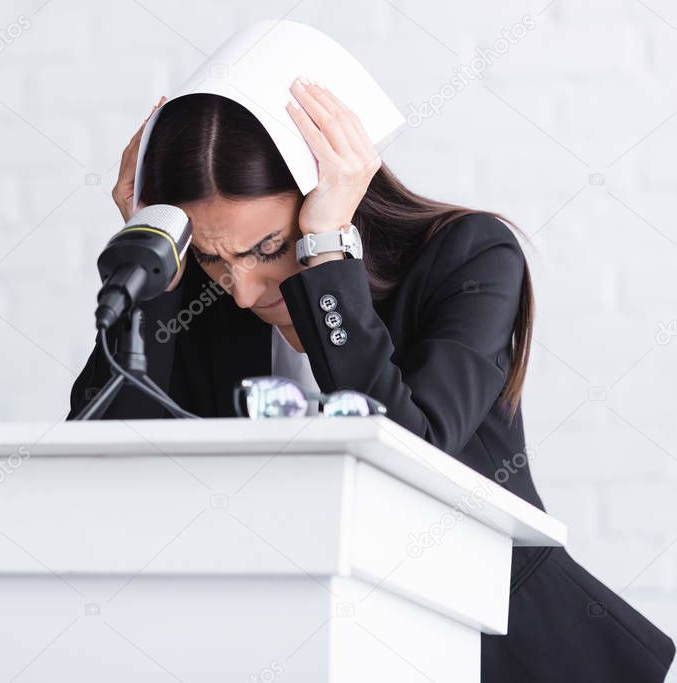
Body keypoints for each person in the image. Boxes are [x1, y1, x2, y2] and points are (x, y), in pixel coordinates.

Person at [66, 79, 675, 681]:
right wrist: (153, 267)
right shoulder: (198, 299)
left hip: (500, 645)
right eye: (210, 256)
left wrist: (327, 256)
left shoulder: (468, 256)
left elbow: (417, 455)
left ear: (329, 191)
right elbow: (101, 470)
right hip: (310, 647)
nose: (244, 291)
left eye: (270, 247)